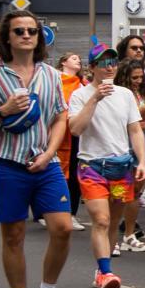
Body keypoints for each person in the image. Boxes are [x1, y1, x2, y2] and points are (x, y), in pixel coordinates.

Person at [0, 11, 75, 288]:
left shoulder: (51, 75)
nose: (27, 35)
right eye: (19, 31)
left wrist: (50, 153)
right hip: (7, 163)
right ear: (8, 38)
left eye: (32, 31)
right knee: (13, 236)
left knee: (63, 228)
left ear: (39, 38)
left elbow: (60, 118)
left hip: (46, 163)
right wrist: (2, 112)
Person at [66, 48, 145, 288]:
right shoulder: (80, 95)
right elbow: (76, 130)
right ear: (92, 68)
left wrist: (142, 161)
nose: (110, 67)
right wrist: (94, 100)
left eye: (113, 62)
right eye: (104, 63)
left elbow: (135, 130)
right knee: (100, 220)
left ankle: (102, 269)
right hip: (92, 167)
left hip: (121, 168)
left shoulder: (125, 95)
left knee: (113, 221)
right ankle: (105, 273)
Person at [114, 59, 145, 252]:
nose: (138, 81)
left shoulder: (143, 92)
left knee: (136, 191)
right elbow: (115, 120)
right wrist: (139, 112)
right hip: (123, 140)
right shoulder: (118, 93)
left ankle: (129, 234)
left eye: (141, 77)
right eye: (134, 77)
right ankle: (112, 237)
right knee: (120, 191)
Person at [56, 51, 89, 230]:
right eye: (75, 58)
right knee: (54, 173)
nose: (79, 61)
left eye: (79, 58)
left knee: (75, 175)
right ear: (64, 62)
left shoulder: (83, 84)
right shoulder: (56, 81)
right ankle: (46, 211)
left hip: (76, 135)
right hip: (58, 134)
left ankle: (71, 213)